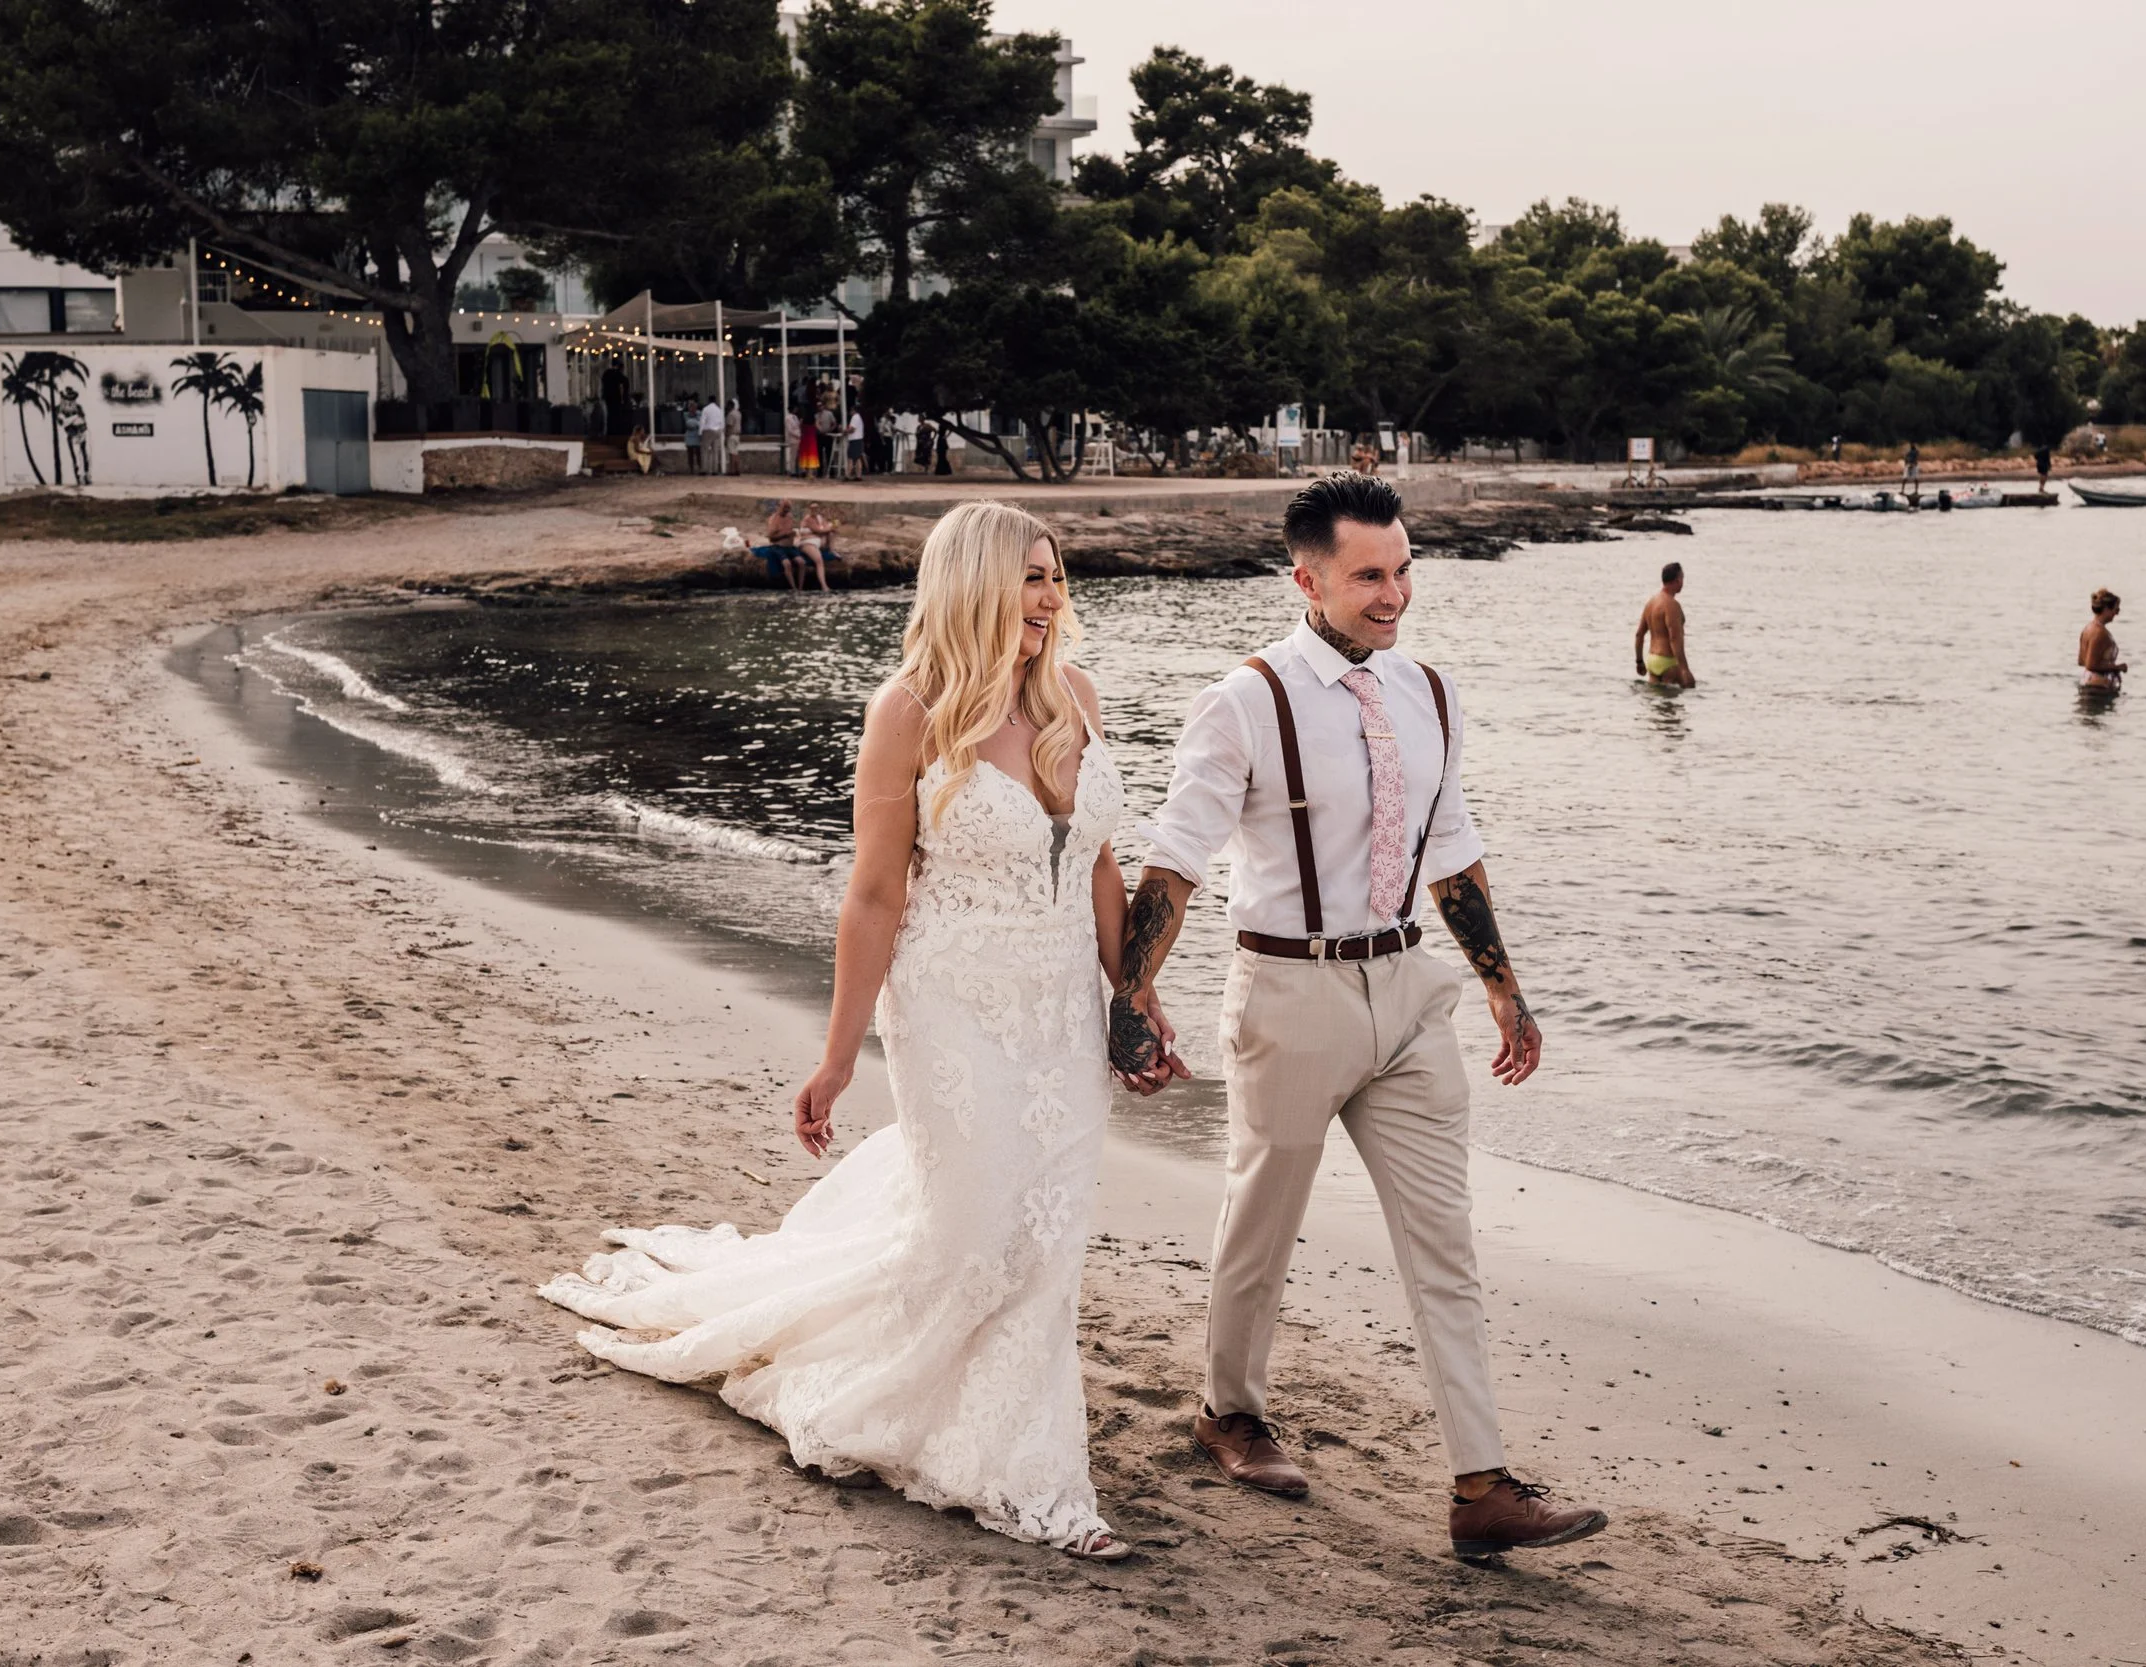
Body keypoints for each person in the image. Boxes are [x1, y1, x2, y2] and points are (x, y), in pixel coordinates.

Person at [542, 502, 1139, 1564]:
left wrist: (1130, 993)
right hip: (952, 1001)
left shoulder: (1074, 699)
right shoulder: (907, 712)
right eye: (1027, 577)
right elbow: (871, 895)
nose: (1048, 597)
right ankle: (880, 1398)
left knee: (1045, 1239)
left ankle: (1023, 1461)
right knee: (971, 1232)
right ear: (970, 585)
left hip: (1060, 1012)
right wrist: (835, 1055)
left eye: (1054, 576)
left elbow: (1096, 864)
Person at [1111, 472, 1606, 1563]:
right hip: (1290, 992)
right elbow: (1175, 861)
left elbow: (1451, 844)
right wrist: (1131, 995)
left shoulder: (1430, 691)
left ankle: (1481, 1483)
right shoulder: (1244, 699)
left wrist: (1500, 983)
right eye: (1370, 575)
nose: (1395, 594)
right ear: (1309, 578)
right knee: (1262, 1221)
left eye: (1404, 568)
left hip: (1407, 995)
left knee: (1446, 1242)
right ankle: (1228, 1410)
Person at [1635, 561, 1695, 688]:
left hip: (1652, 660)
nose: (1682, 582)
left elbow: (1639, 635)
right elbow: (1674, 638)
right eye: (1682, 578)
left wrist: (1639, 661)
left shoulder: (1651, 603)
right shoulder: (1672, 605)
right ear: (1677, 580)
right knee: (1681, 698)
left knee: (1657, 705)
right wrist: (1684, 669)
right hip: (1668, 662)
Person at [2079, 588, 2125, 691]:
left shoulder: (2088, 629)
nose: (2116, 614)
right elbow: (2091, 665)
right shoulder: (2100, 633)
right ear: (2106, 609)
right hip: (2098, 687)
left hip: (2088, 682)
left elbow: (2082, 661)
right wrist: (2117, 667)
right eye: (2116, 610)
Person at [755, 498, 806, 589]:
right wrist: (785, 534)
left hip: (790, 547)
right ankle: (793, 588)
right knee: (787, 564)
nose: (786, 510)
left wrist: (793, 534)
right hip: (778, 546)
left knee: (802, 562)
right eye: (784, 508)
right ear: (778, 507)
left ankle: (800, 587)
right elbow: (771, 538)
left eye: (788, 508)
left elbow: (791, 530)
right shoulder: (774, 519)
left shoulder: (789, 516)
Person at [796, 502, 839, 591]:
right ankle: (824, 586)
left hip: (818, 541)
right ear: (809, 509)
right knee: (819, 560)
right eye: (812, 508)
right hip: (807, 543)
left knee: (831, 532)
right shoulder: (808, 519)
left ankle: (832, 549)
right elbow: (818, 530)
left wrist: (829, 528)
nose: (814, 510)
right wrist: (827, 529)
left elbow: (825, 527)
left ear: (819, 509)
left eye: (816, 508)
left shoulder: (820, 517)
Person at [699, 395, 725, 476]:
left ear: (709, 400)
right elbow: (722, 422)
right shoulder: (719, 410)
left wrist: (700, 432)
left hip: (708, 430)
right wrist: (720, 431)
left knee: (705, 451)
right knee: (715, 451)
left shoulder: (706, 409)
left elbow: (702, 421)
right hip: (717, 431)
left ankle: (704, 469)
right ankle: (715, 470)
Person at [722, 397, 743, 476]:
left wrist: (726, 437)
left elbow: (729, 426)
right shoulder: (738, 413)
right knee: (736, 453)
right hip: (737, 435)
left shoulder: (730, 414)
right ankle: (737, 469)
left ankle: (732, 470)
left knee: (732, 454)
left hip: (731, 435)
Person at [846, 407, 867, 481]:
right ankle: (858, 475)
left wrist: (845, 431)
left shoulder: (854, 417)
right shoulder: (859, 418)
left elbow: (852, 429)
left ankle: (848, 475)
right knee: (857, 458)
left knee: (850, 458)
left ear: (853, 410)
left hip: (854, 440)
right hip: (859, 439)